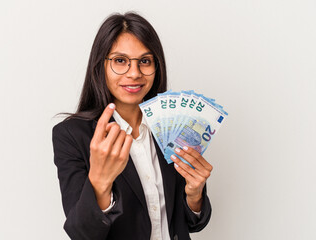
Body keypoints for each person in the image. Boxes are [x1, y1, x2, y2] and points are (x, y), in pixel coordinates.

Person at [52, 12, 213, 240]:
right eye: (120, 61)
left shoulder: (172, 127)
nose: (135, 73)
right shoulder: (71, 135)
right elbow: (82, 234)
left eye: (145, 61)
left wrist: (194, 194)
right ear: (101, 65)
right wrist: (100, 181)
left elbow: (192, 223)